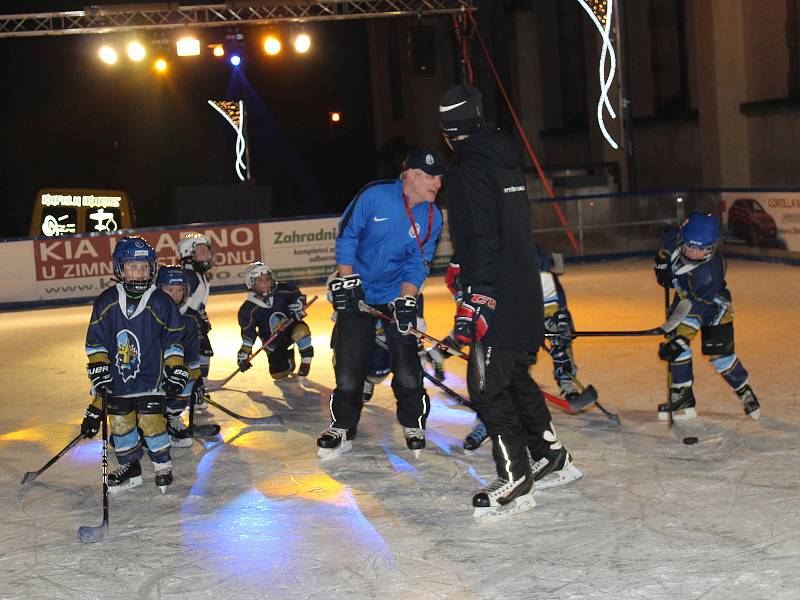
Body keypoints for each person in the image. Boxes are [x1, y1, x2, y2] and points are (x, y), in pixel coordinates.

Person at [439, 84, 581, 520]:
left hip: (495, 294)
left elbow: (480, 232)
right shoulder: (502, 157)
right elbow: (501, 229)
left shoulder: (466, 169)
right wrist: (466, 268)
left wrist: (477, 294)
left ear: (447, 129)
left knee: (486, 386)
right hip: (523, 288)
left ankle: (516, 479)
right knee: (515, 376)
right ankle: (551, 456)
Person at [319, 148, 444, 459]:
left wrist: (406, 300)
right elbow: (347, 236)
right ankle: (344, 426)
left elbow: (419, 262)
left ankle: (414, 421)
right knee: (349, 366)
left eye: (440, 177)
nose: (438, 183)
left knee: (406, 366)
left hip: (397, 293)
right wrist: (347, 281)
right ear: (411, 176)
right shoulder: (375, 196)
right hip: (358, 289)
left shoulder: (433, 216)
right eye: (431, 176)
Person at [457, 244, 594, 451]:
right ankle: (487, 421)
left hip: (531, 305)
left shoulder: (526, 246)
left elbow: (548, 290)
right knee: (490, 374)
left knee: (556, 333)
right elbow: (459, 285)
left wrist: (557, 317)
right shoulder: (471, 248)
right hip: (494, 312)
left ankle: (565, 377)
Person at [81, 236, 188, 494]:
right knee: (121, 426)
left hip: (151, 380)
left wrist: (175, 368)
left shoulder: (161, 302)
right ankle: (131, 469)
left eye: (144, 266)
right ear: (119, 268)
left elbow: (173, 339)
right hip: (118, 381)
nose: (139, 271)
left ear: (152, 268)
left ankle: (163, 465)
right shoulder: (106, 301)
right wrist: (99, 370)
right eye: (132, 266)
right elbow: (96, 342)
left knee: (153, 425)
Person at [654, 212, 760, 420]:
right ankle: (683, 395)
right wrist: (662, 260)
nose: (694, 253)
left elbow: (697, 312)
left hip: (714, 310)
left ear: (711, 248)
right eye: (690, 247)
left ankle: (744, 391)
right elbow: (668, 236)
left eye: (701, 249)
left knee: (720, 357)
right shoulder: (677, 240)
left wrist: (682, 338)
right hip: (685, 301)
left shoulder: (709, 273)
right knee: (677, 346)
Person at [236, 261, 314, 381]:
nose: (265, 283)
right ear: (251, 282)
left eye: (267, 279)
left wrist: (298, 305)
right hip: (272, 340)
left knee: (301, 331)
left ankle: (306, 361)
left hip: (290, 329)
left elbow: (297, 296)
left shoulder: (284, 290)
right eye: (260, 280)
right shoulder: (248, 309)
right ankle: (288, 357)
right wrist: (244, 352)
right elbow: (248, 333)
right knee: (278, 374)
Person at [156, 264, 205, 448]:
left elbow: (191, 356)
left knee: (187, 379)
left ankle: (171, 417)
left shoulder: (191, 318)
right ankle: (137, 423)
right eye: (170, 289)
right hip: (147, 370)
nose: (175, 294)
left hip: (172, 369)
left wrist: (198, 380)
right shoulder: (149, 313)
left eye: (179, 289)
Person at [177, 233, 214, 410]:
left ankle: (199, 389)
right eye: (201, 251)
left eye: (207, 250)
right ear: (188, 253)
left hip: (195, 326)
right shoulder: (188, 276)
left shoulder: (199, 276)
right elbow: (179, 306)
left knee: (204, 354)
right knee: (192, 359)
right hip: (185, 329)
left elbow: (196, 304)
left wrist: (202, 316)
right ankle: (192, 390)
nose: (206, 255)